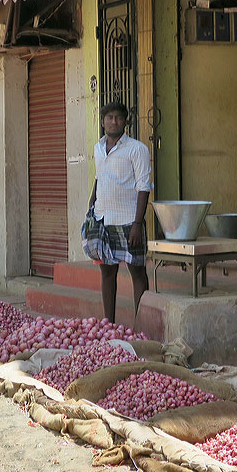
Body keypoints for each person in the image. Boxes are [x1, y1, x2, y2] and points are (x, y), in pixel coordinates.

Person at [88, 102, 151, 323]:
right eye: (109, 117)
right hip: (103, 220)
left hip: (129, 222)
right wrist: (91, 207)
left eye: (118, 118)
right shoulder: (98, 148)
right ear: (103, 121)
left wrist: (137, 224)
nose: (114, 122)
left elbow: (144, 187)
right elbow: (99, 177)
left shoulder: (137, 149)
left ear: (126, 122)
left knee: (137, 273)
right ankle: (109, 325)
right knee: (107, 273)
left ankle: (141, 325)